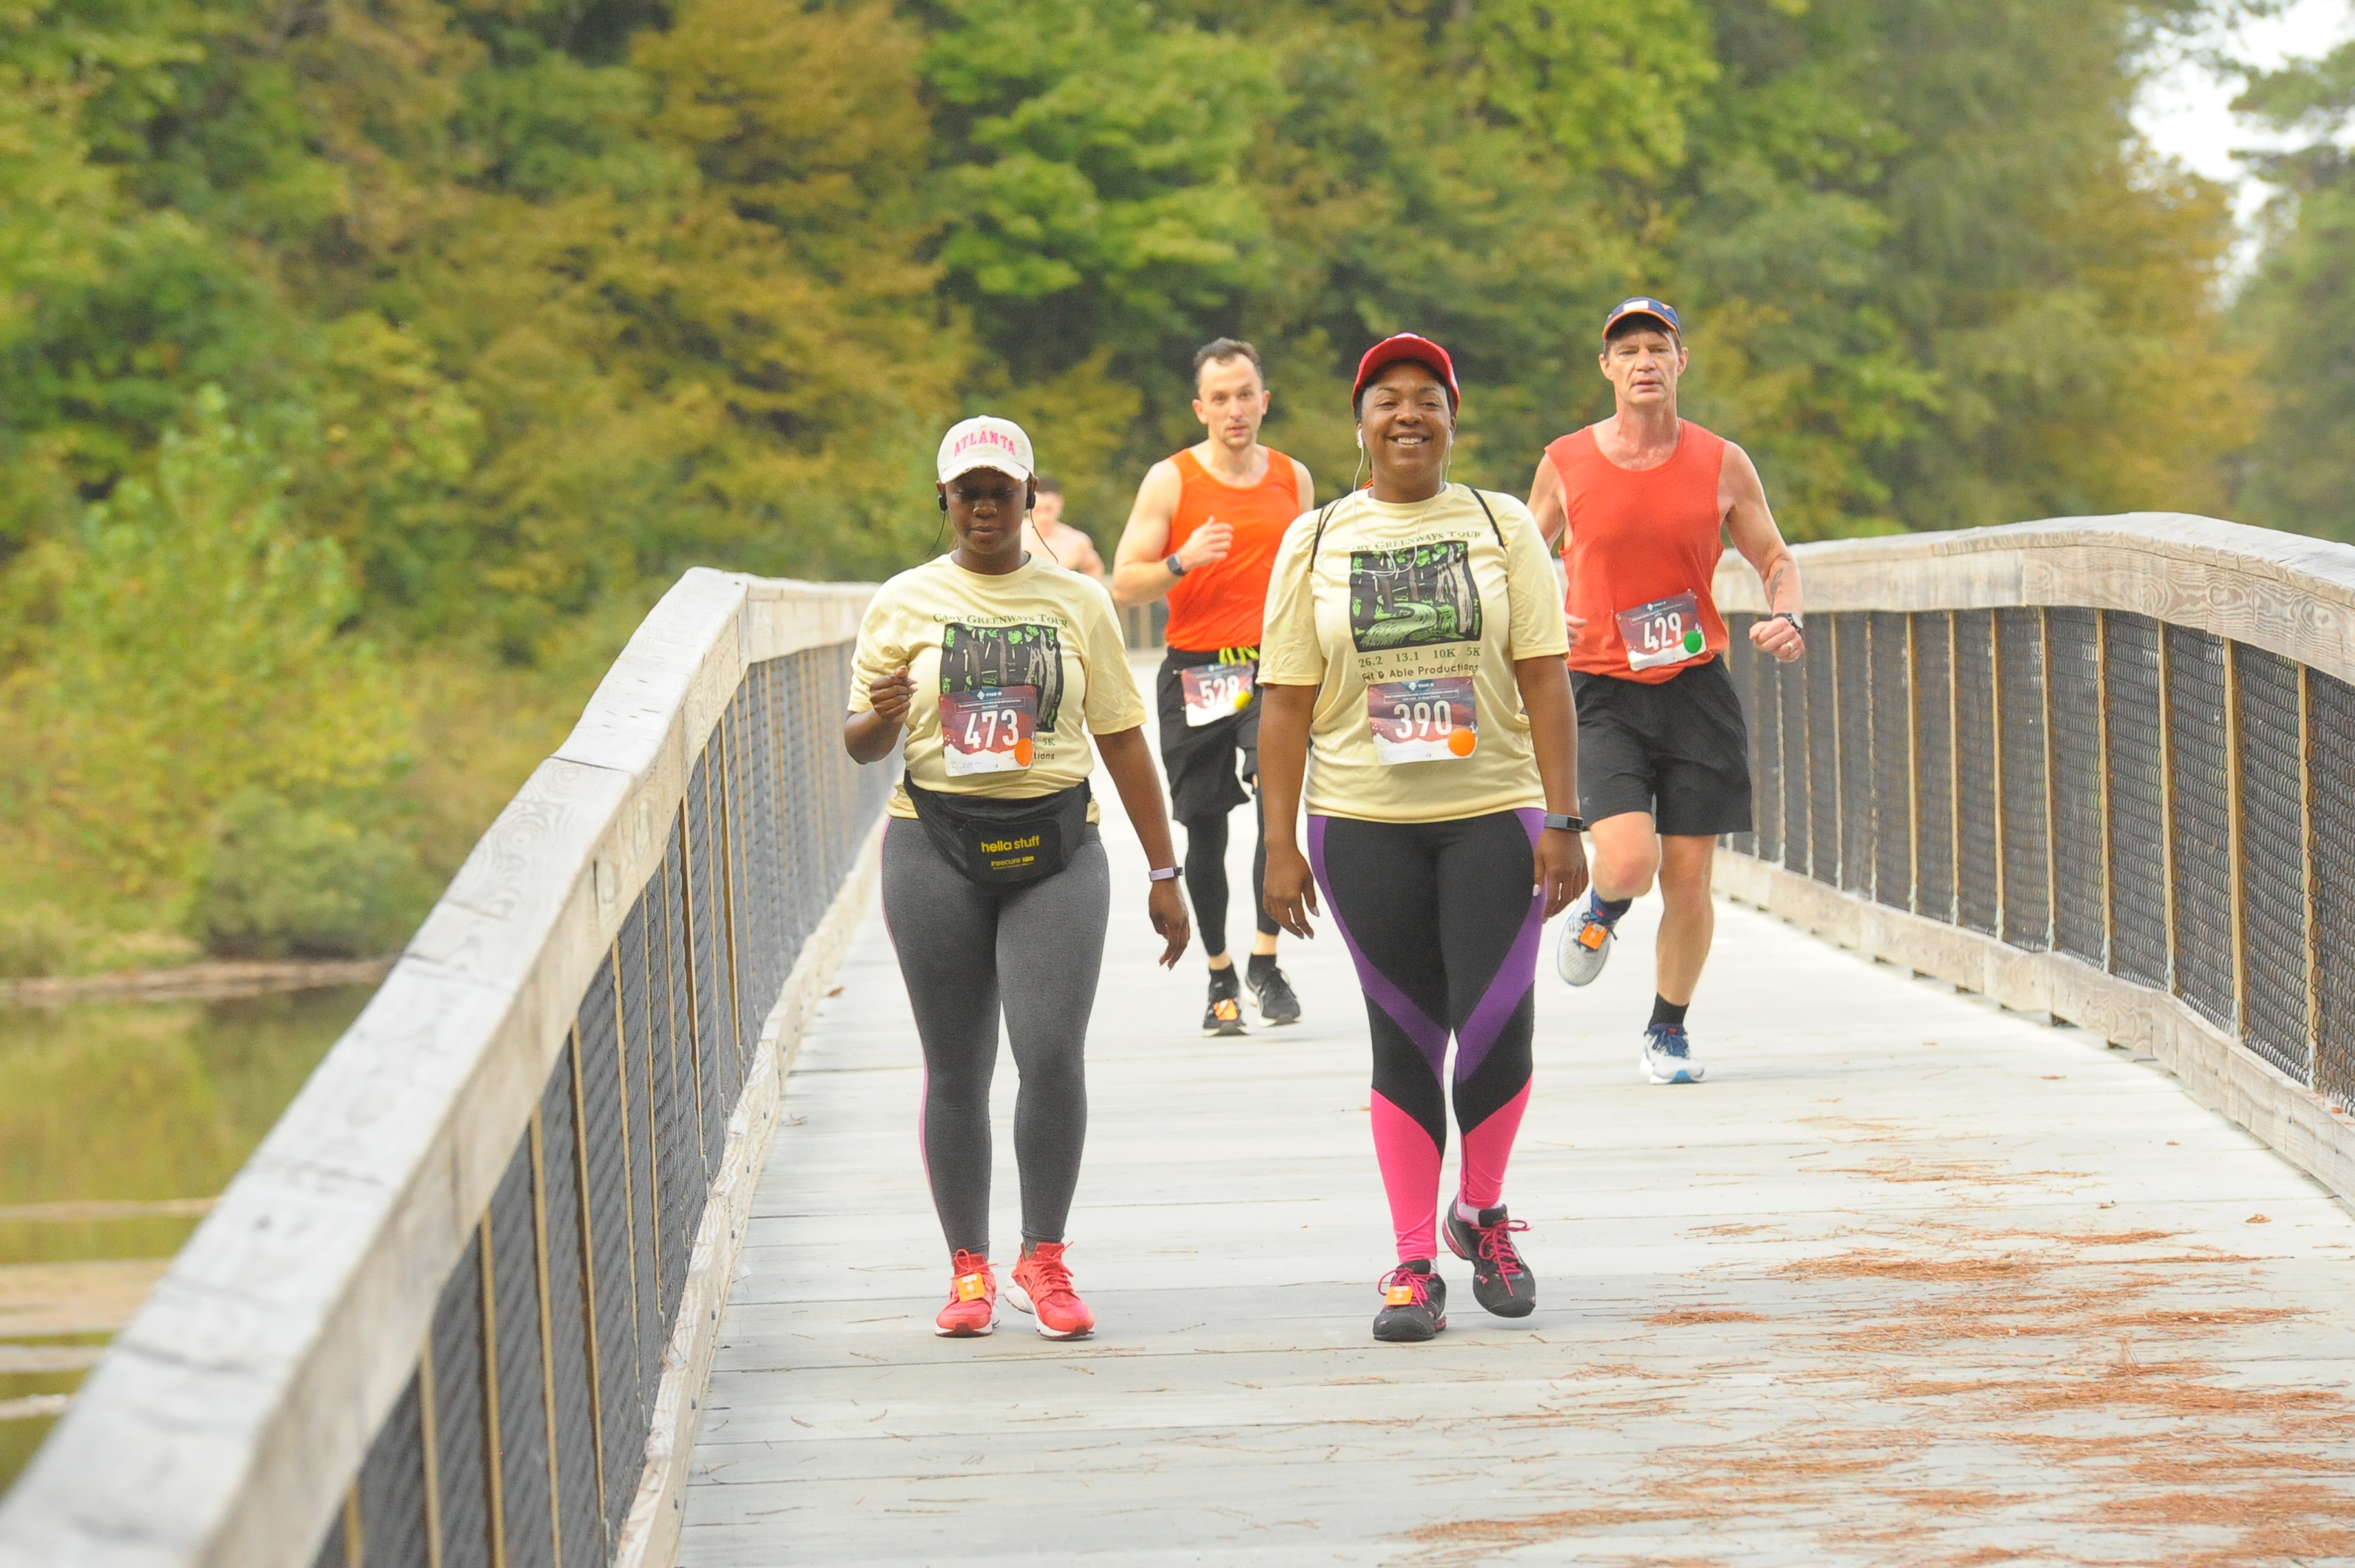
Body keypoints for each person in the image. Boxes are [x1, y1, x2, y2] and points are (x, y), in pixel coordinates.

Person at [1258, 335, 1589, 1343]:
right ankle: (1410, 1261)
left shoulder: (1502, 524)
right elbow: (1283, 700)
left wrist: (1569, 818)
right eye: (1387, 401)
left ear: (1453, 419)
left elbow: (1544, 675)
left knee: (1496, 1024)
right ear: (1359, 424)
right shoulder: (1315, 541)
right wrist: (1278, 846)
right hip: (1363, 819)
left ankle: (1481, 1216)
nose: (1408, 416)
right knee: (1403, 1035)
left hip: (1496, 809)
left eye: (1427, 401)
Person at [845, 415, 1191, 1341]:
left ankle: (1044, 1260)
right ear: (945, 503)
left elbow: (1121, 735)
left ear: (1029, 499)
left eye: (1005, 491)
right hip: (934, 842)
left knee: (1048, 1051)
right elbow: (861, 743)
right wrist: (878, 715)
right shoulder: (904, 599)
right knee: (957, 1065)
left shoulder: (1077, 602)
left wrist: (1166, 870)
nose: (988, 507)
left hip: (1057, 845)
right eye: (970, 493)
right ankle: (968, 1270)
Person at [1527, 297, 1805, 1087]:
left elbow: (1774, 556)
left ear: (1680, 362)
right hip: (1599, 689)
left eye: (1658, 346)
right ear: (1607, 368)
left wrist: (1785, 613)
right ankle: (1602, 914)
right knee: (1626, 862)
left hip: (1693, 688)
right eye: (1628, 350)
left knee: (1688, 878)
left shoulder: (1722, 461)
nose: (1643, 360)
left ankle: (1666, 1030)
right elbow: (1516, 556)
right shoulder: (1567, 459)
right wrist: (1546, 607)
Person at [1111, 339, 1315, 1036]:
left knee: (1274, 807)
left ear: (1265, 399)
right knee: (1204, 826)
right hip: (1198, 670)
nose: (1234, 409)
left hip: (1272, 669)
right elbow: (1123, 582)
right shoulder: (1170, 480)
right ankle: (1220, 972)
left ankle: (1266, 959)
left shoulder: (1294, 477)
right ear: (1201, 409)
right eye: (1219, 398)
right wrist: (1181, 559)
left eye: (1245, 394)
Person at [1022, 477, 1106, 581]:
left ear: (1060, 504)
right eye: (1037, 510)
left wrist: (1083, 593)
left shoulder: (1077, 541)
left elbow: (1095, 568)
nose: (1043, 517)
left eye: (1049, 510)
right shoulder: (1014, 536)